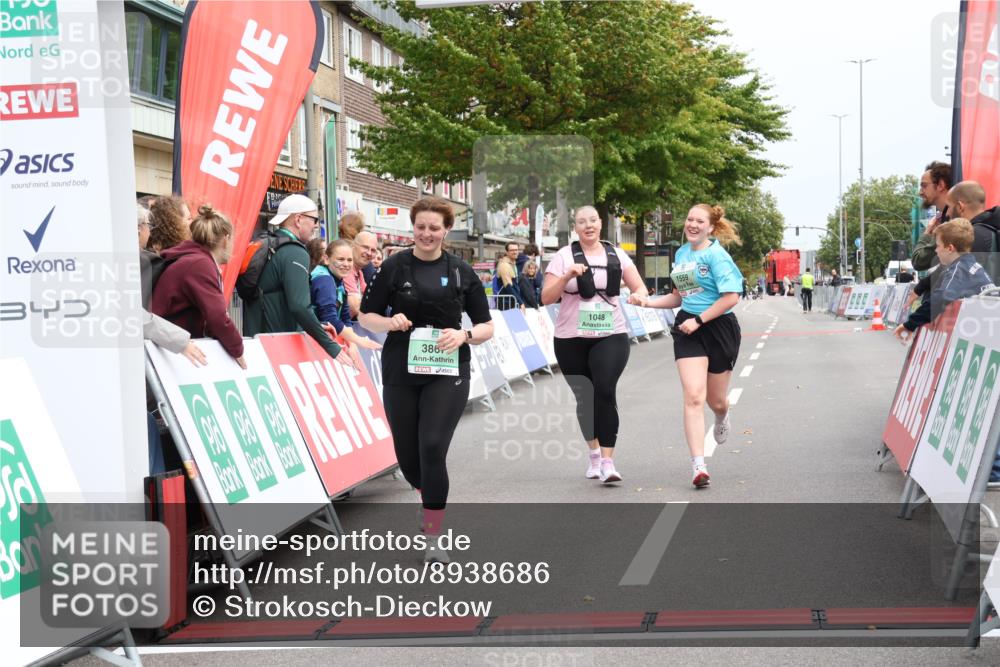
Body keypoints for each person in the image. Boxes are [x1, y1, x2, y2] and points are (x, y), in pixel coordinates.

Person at [358, 197, 494, 564]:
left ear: (446, 230)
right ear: (412, 228)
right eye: (421, 227)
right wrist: (389, 323)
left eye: (435, 228)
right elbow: (366, 315)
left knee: (432, 445)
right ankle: (425, 492)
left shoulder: (461, 271)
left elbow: (487, 326)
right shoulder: (394, 267)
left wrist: (464, 336)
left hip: (447, 369)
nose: (427, 234)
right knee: (408, 456)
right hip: (402, 367)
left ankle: (433, 533)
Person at [635, 204, 743, 489]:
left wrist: (700, 319)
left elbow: (732, 297)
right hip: (687, 329)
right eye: (689, 220)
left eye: (699, 221)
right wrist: (647, 302)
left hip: (718, 327)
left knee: (714, 400)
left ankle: (722, 415)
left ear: (710, 227)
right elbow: (676, 298)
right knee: (694, 396)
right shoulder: (681, 254)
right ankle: (699, 466)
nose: (692, 224)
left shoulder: (717, 256)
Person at [541, 205, 649, 484]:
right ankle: (593, 455)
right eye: (581, 222)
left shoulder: (616, 254)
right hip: (570, 337)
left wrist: (638, 295)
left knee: (604, 389)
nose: (588, 226)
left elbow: (640, 287)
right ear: (575, 228)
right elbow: (546, 298)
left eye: (592, 221)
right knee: (584, 396)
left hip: (610, 333)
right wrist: (567, 276)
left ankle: (608, 461)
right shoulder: (563, 257)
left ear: (600, 224)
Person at [243, 194, 352, 367]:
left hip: (258, 341)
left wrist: (315, 325)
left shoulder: (273, 244)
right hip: (278, 348)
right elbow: (300, 306)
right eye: (314, 219)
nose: (316, 225)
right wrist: (332, 347)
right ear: (298, 219)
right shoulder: (295, 252)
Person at [151, 204, 246, 368]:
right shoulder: (200, 264)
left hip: (169, 347)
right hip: (168, 352)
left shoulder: (195, 260)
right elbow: (218, 318)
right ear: (225, 239)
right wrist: (238, 350)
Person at [894, 219, 994, 343]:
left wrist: (910, 324)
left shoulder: (960, 269)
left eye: (938, 246)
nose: (936, 250)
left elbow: (940, 297)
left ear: (950, 248)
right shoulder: (970, 264)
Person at [311, 239, 383, 366]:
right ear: (327, 259)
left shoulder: (339, 280)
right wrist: (359, 340)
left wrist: (352, 343)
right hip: (312, 342)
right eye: (340, 259)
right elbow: (330, 319)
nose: (346, 264)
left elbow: (345, 316)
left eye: (349, 260)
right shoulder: (324, 279)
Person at [946, 180, 1000, 278]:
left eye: (949, 207)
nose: (947, 213)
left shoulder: (971, 236)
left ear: (960, 207)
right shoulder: (993, 228)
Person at [912, 161, 953, 271]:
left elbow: (919, 261)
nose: (920, 192)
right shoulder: (944, 218)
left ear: (940, 185)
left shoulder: (950, 223)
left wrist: (927, 233)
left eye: (924, 186)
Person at [344, 231, 378, 319]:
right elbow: (355, 308)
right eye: (365, 247)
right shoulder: (347, 268)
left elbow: (373, 299)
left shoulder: (359, 273)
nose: (369, 253)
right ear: (353, 246)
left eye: (373, 250)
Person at [494, 242, 521, 310]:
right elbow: (508, 286)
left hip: (511, 301)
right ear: (507, 252)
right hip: (505, 303)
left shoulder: (513, 264)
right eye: (512, 250)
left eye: (516, 250)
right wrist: (520, 302)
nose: (515, 252)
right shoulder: (504, 265)